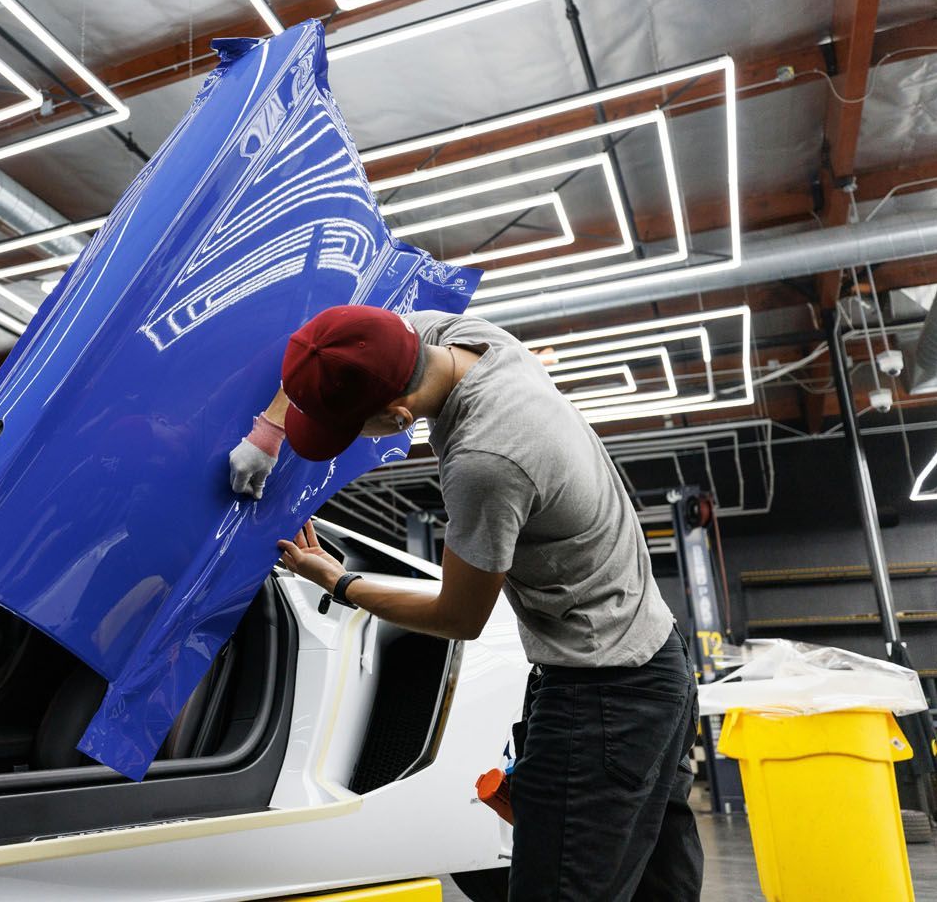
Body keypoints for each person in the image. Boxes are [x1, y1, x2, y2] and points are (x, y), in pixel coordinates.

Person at [229, 304, 703, 902]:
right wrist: (268, 432)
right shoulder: (460, 338)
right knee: (659, 885)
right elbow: (331, 341)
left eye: (355, 431)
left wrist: (339, 583)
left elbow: (460, 617)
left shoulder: (486, 462)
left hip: (603, 695)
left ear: (397, 417)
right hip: (655, 657)